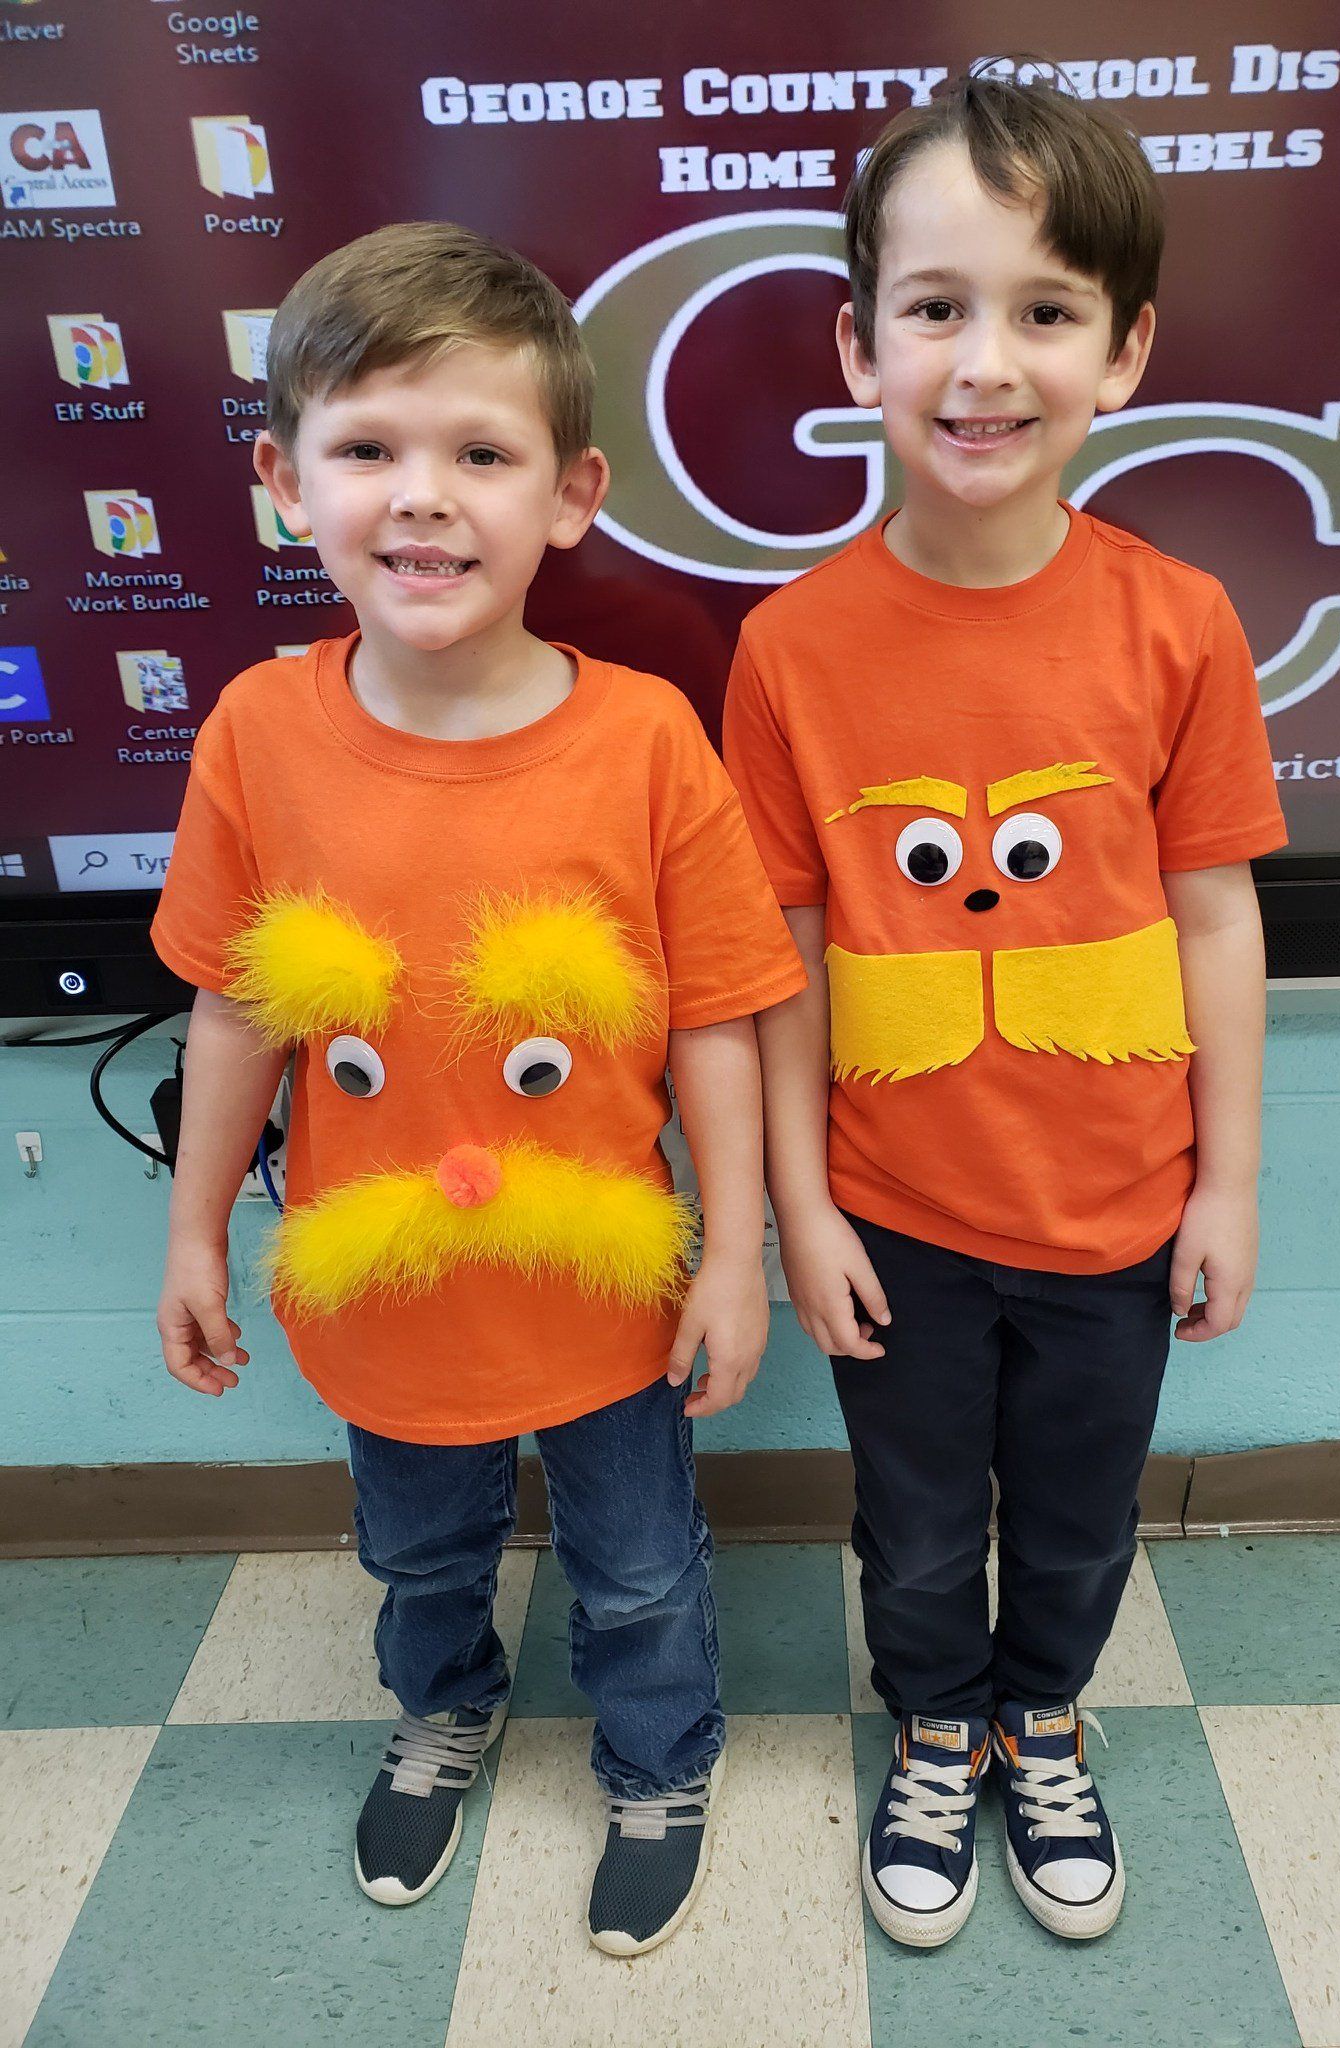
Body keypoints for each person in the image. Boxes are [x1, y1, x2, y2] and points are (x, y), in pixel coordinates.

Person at [152, 221, 805, 1953]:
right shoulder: (255, 735)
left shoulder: (648, 738)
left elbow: (720, 1018)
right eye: (369, 448)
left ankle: (660, 1762)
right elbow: (233, 1010)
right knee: (420, 1554)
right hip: (384, 1287)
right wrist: (195, 1232)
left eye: (481, 455)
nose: (423, 498)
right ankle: (442, 1710)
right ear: (286, 482)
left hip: (605, 1287)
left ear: (572, 494)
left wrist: (737, 1255)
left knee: (642, 1566)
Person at [724, 73, 1288, 1948]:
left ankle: (1041, 1717)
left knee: (1076, 1518)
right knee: (910, 1530)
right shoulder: (790, 649)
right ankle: (935, 1725)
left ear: (1124, 353)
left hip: (1119, 1213)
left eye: (1045, 311)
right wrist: (801, 1207)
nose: (984, 363)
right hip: (895, 1216)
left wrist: (1227, 1185)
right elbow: (781, 953)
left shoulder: (1180, 622)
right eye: (935, 307)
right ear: (858, 345)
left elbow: (1214, 916)